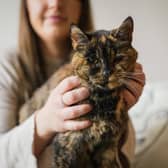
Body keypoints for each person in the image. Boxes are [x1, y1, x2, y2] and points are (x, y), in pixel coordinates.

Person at [0, 0, 145, 167]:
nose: (55, 3)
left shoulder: (104, 45)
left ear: (82, 4)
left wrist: (122, 113)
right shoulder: (7, 67)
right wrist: (43, 123)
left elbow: (117, 154)